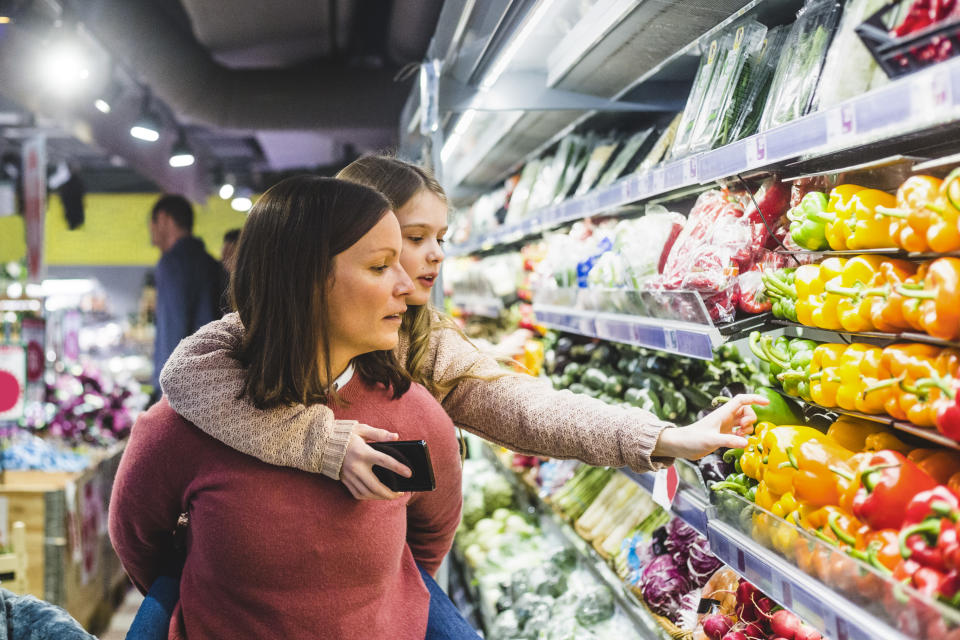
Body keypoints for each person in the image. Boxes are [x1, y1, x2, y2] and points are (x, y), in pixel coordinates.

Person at [160, 155, 764, 501]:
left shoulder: (420, 337)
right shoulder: (255, 338)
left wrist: (662, 437)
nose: (431, 258)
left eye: (437, 240)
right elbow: (188, 376)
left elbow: (522, 408)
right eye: (411, 239)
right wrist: (320, 441)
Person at [111, 176, 467, 639]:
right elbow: (138, 539)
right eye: (381, 267)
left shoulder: (414, 414)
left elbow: (428, 540)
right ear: (305, 282)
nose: (406, 284)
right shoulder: (184, 425)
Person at [148, 194, 226, 401]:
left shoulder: (172, 264)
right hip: (211, 384)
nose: (151, 232)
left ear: (164, 219)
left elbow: (172, 329)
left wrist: (162, 393)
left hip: (181, 392)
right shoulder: (210, 264)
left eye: (152, 223)